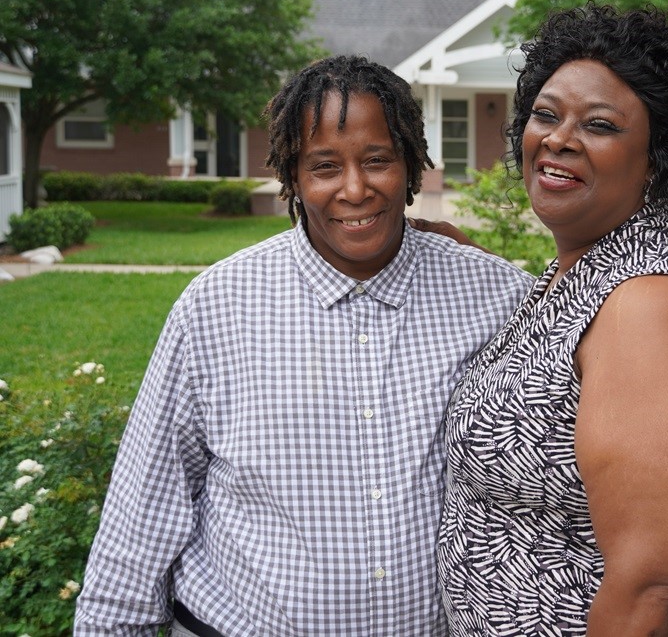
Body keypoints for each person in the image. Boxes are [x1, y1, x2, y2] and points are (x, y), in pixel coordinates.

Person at [74, 55, 532, 635]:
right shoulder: (216, 307)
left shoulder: (497, 299)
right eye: (324, 167)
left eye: (377, 160)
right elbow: (145, 508)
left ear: (411, 165)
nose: (356, 189)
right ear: (292, 177)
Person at [436, 4, 668, 637]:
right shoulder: (590, 267)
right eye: (546, 114)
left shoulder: (651, 308)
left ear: (658, 158)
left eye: (601, 125)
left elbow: (655, 585)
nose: (558, 138)